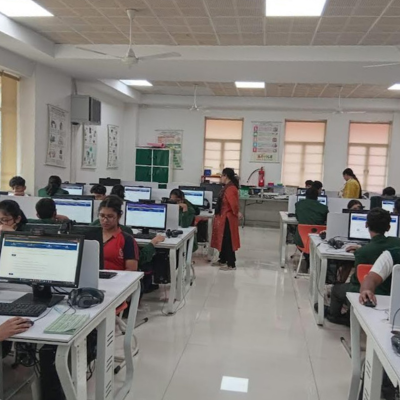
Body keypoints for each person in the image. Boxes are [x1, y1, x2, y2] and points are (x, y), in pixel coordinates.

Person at [328, 208, 400, 325]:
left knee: (337, 289)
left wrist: (361, 250)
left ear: (366, 225)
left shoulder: (363, 253)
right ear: (388, 227)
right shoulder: (396, 245)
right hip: (392, 294)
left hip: (369, 294)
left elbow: (357, 281)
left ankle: (336, 316)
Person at [211, 168, 240, 271]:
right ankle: (222, 259)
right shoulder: (227, 187)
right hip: (223, 216)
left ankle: (231, 264)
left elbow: (234, 204)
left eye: (222, 176)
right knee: (223, 239)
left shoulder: (230, 188)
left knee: (228, 240)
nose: (221, 178)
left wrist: (237, 213)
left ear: (226, 176)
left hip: (228, 218)